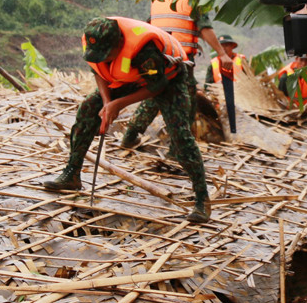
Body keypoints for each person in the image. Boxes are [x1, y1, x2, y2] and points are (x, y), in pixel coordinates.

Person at [43, 16, 212, 223]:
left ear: (119, 44)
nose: (102, 58)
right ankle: (72, 174)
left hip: (167, 79)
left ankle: (202, 199)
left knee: (180, 136)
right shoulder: (93, 41)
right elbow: (98, 70)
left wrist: (119, 104)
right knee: (88, 108)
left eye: (107, 55)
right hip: (129, 76)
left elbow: (156, 86)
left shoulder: (144, 50)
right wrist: (107, 103)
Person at [120, 0, 233, 149]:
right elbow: (205, 29)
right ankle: (177, 148)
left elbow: (148, 25)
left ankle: (130, 135)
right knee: (186, 101)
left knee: (155, 94)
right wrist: (222, 54)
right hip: (180, 58)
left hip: (158, 56)